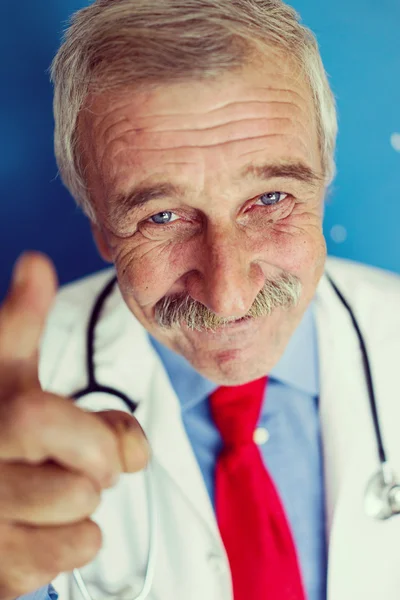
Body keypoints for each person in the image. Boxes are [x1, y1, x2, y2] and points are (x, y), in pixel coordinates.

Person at [0, 0, 399, 599]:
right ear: (102, 228)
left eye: (270, 199)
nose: (229, 293)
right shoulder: (13, 417)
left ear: (325, 176)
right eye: (162, 215)